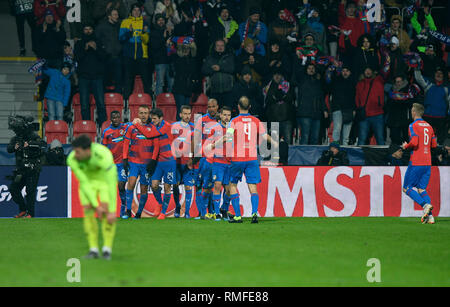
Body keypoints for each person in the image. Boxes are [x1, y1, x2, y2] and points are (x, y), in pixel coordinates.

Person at [226, 96, 277, 223]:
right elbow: (265, 136)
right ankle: (254, 213)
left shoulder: (234, 121)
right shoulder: (256, 121)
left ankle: (238, 216)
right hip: (252, 158)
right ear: (250, 107)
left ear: (238, 107)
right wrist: (275, 143)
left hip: (237, 158)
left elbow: (228, 137)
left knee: (232, 185)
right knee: (252, 186)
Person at [67, 135, 118, 260]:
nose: (75, 155)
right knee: (88, 211)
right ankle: (93, 249)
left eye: (78, 152)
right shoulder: (72, 159)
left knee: (107, 213)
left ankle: (107, 249)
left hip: (104, 182)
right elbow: (83, 182)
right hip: (88, 184)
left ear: (88, 150)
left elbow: (111, 183)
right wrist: (96, 205)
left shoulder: (104, 155)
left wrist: (112, 210)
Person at [122, 105, 161, 219]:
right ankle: (128, 211)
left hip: (146, 164)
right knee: (131, 184)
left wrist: (153, 161)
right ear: (138, 114)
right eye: (141, 113)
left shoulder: (153, 128)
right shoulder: (131, 127)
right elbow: (125, 143)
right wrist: (125, 158)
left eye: (145, 113)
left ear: (148, 114)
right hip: (134, 161)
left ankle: (139, 213)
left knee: (144, 188)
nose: (143, 115)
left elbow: (156, 147)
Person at [401, 103, 438, 224]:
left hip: (417, 161)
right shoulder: (429, 126)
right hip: (428, 162)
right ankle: (430, 217)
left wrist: (406, 146)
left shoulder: (413, 125)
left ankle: (424, 205)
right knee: (421, 188)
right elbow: (434, 145)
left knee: (406, 188)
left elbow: (415, 142)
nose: (411, 113)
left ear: (414, 112)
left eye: (412, 111)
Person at [74, 24, 107, 127]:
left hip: (97, 77)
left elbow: (104, 57)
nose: (88, 31)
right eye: (86, 29)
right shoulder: (79, 43)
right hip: (84, 77)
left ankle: (103, 127)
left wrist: (96, 48)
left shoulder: (98, 42)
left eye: (90, 29)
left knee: (101, 104)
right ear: (83, 31)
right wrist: (85, 48)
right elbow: (77, 58)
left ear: (93, 30)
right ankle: (87, 126)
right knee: (84, 105)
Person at [203, 106, 233, 221]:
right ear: (220, 115)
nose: (226, 117)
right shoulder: (215, 129)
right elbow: (208, 146)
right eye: (224, 115)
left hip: (230, 163)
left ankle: (224, 209)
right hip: (218, 162)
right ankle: (216, 213)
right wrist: (219, 142)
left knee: (229, 189)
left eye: (229, 115)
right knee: (217, 186)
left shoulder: (233, 129)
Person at [119, 4, 152, 101]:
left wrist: (144, 33)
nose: (136, 12)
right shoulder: (125, 22)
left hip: (142, 56)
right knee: (128, 81)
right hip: (129, 56)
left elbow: (146, 41)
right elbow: (121, 39)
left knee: (146, 81)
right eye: (134, 10)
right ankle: (126, 105)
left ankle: (150, 103)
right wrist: (129, 32)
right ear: (131, 12)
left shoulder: (144, 22)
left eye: (138, 10)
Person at [193, 99, 219, 219]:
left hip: (216, 158)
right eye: (209, 106)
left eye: (213, 106)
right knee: (199, 184)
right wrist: (195, 156)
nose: (211, 108)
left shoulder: (221, 120)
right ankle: (201, 212)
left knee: (213, 185)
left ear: (217, 107)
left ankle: (213, 211)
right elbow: (196, 139)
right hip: (203, 158)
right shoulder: (201, 120)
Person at [149, 108, 177, 220]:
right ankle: (160, 204)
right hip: (159, 162)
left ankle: (163, 213)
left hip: (169, 161)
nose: (153, 121)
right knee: (154, 185)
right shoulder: (154, 127)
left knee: (167, 187)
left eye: (155, 119)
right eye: (152, 119)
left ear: (161, 118)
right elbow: (156, 146)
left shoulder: (167, 127)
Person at [101, 111, 129, 217]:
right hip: (110, 164)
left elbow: (134, 124)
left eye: (118, 117)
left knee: (121, 185)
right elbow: (103, 148)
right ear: (111, 119)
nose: (116, 119)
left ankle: (124, 206)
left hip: (122, 163)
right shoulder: (106, 132)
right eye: (114, 117)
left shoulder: (125, 128)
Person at [414, 66, 450, 144]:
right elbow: (418, 78)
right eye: (437, 73)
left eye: (441, 73)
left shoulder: (447, 88)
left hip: (441, 117)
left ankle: (439, 154)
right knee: (425, 137)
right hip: (428, 115)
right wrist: (416, 67)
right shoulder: (428, 84)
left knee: (440, 139)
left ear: (443, 76)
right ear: (434, 75)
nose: (439, 75)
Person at [171, 106, 196, 218]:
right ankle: (177, 206)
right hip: (176, 162)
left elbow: (196, 145)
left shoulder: (193, 128)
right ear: (180, 114)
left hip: (188, 162)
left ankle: (186, 212)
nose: (187, 116)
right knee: (175, 186)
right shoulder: (174, 126)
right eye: (185, 113)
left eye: (189, 114)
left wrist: (192, 159)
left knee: (188, 186)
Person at [294, 63, 327, 145]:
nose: (311, 70)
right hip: (305, 113)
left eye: (313, 68)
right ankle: (303, 157)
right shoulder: (302, 80)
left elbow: (321, 97)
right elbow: (297, 73)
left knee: (315, 138)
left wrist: (324, 109)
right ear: (306, 70)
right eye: (309, 68)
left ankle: (312, 157)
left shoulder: (318, 82)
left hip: (317, 113)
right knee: (305, 136)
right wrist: (304, 61)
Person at [325, 63, 356, 146]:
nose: (345, 72)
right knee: (337, 131)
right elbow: (327, 86)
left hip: (349, 110)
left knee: (346, 135)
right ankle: (335, 149)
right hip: (337, 109)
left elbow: (355, 97)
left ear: (350, 72)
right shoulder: (336, 80)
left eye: (347, 71)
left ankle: (344, 152)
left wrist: (354, 109)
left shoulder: (353, 82)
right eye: (343, 71)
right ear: (341, 72)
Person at [263, 69, 295, 145]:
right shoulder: (268, 86)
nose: (277, 76)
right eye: (275, 75)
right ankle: (274, 157)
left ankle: (288, 157)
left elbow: (291, 98)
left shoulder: (288, 85)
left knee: (288, 142)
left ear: (282, 76)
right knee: (274, 143)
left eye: (279, 74)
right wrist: (281, 96)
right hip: (274, 119)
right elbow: (268, 100)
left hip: (287, 119)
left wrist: (279, 96)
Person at [96, 8, 123, 94]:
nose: (117, 16)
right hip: (106, 57)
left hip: (118, 57)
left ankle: (118, 100)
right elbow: (97, 40)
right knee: (104, 80)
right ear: (109, 16)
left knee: (118, 80)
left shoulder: (120, 25)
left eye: (117, 15)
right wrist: (103, 51)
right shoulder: (101, 26)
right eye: (115, 15)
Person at [202, 39, 235, 108]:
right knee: (214, 114)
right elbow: (204, 70)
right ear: (215, 47)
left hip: (228, 91)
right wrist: (213, 69)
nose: (220, 47)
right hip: (214, 91)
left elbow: (232, 69)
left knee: (227, 113)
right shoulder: (210, 58)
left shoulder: (229, 57)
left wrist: (220, 68)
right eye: (218, 45)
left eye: (222, 45)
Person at [171, 40, 200, 118]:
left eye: (188, 49)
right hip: (179, 88)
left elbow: (194, 74)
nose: (186, 50)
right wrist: (180, 53)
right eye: (184, 48)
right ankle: (178, 128)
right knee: (181, 111)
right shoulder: (177, 59)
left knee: (187, 111)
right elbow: (178, 69)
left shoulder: (192, 60)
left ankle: (186, 129)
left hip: (188, 88)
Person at [150, 13, 174, 97]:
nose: (161, 21)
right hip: (160, 61)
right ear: (156, 21)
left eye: (162, 20)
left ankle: (170, 102)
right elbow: (154, 46)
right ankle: (158, 102)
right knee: (160, 83)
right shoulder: (153, 33)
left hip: (170, 61)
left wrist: (170, 34)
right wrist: (164, 38)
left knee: (171, 82)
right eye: (159, 20)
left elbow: (172, 45)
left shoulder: (168, 31)